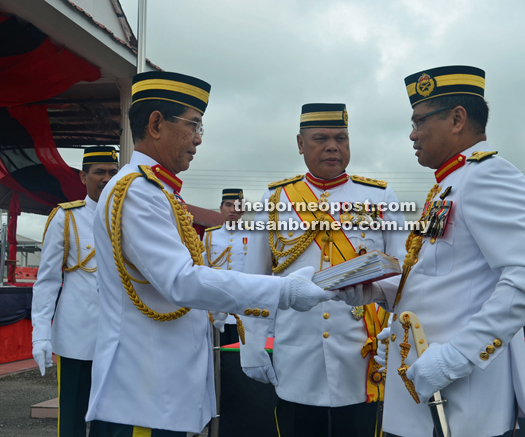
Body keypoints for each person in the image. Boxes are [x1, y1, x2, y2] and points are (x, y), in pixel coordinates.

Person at [85, 71, 335, 436]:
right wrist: (283, 291)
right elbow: (181, 281)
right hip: (142, 391)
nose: (198, 140)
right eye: (194, 125)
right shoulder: (138, 191)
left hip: (157, 386)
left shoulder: (155, 190)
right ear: (156, 123)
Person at [337, 65, 525, 437]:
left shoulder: (489, 176)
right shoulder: (450, 183)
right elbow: (440, 278)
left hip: (461, 400)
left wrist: (457, 356)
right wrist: (378, 291)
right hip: (425, 391)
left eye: (419, 121)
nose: (412, 134)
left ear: (457, 119)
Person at [240, 103, 407, 436]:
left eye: (341, 138)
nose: (333, 146)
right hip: (298, 355)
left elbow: (403, 275)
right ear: (300, 144)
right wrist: (252, 344)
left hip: (363, 358)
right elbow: (254, 280)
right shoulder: (275, 199)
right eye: (320, 138)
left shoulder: (380, 196)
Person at [31, 146, 118, 437]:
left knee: (112, 417)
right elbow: (47, 281)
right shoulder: (66, 218)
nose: (106, 178)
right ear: (83, 176)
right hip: (76, 336)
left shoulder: (126, 217)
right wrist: (41, 333)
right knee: (72, 418)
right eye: (99, 172)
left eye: (113, 172)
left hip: (117, 336)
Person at [204, 188, 250, 344]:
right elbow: (202, 269)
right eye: (228, 205)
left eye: (237, 206)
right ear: (221, 208)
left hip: (244, 308)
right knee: (217, 355)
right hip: (216, 309)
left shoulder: (253, 236)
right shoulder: (210, 236)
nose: (232, 210)